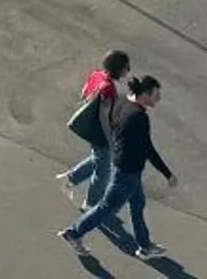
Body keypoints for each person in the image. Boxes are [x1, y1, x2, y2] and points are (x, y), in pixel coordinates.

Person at [61, 75, 172, 260]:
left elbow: (112, 124)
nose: (158, 99)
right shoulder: (139, 117)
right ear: (145, 94)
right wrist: (167, 174)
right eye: (156, 95)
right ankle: (74, 233)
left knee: (138, 204)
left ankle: (145, 246)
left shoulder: (122, 102)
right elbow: (149, 149)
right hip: (127, 172)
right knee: (105, 208)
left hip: (128, 169)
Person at [58, 49, 131, 209]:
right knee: (103, 172)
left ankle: (70, 179)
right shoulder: (108, 89)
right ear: (119, 69)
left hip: (93, 131)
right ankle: (91, 205)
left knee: (98, 159)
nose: (128, 70)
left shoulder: (97, 75)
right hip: (101, 134)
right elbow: (104, 117)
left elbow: (85, 92)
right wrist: (110, 140)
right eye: (126, 67)